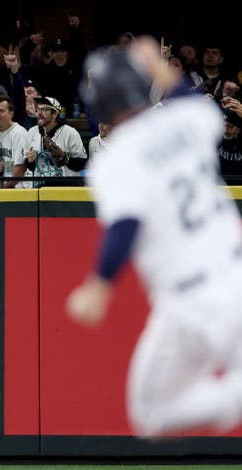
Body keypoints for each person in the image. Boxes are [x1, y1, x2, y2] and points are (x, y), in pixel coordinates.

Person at [66, 37, 242, 437]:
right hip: (236, 278)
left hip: (191, 303)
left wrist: (99, 284)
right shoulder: (188, 118)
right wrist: (160, 70)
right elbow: (188, 102)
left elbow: (125, 224)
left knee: (151, 413)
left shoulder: (115, 158)